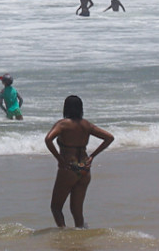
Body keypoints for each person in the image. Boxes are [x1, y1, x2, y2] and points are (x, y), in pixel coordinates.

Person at [43, 95, 114, 229]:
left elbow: (48, 140)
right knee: (77, 210)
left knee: (56, 207)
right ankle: (80, 236)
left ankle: (65, 235)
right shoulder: (86, 125)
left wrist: (59, 159)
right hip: (84, 168)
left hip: (68, 167)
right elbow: (109, 138)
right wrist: (92, 156)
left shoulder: (62, 124)